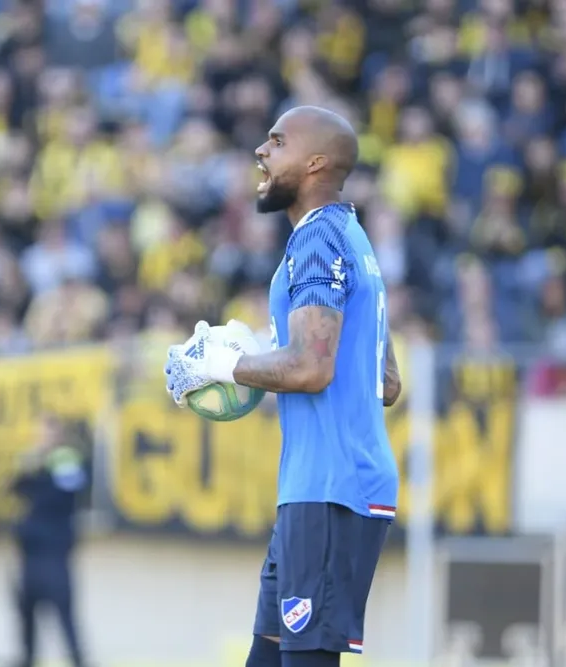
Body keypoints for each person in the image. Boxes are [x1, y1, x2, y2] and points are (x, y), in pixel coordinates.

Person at [164, 106, 401, 667]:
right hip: (324, 484)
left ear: (315, 161)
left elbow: (313, 369)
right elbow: (385, 381)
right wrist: (272, 346)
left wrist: (225, 368)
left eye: (277, 141)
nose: (260, 151)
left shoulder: (317, 240)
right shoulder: (355, 240)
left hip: (328, 488)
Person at [10, 413, 89, 667]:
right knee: (26, 613)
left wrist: (40, 470)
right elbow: (14, 488)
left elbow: (63, 495)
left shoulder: (66, 460)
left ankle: (77, 660)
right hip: (31, 551)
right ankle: (26, 658)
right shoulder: (32, 461)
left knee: (63, 613)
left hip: (54, 550)